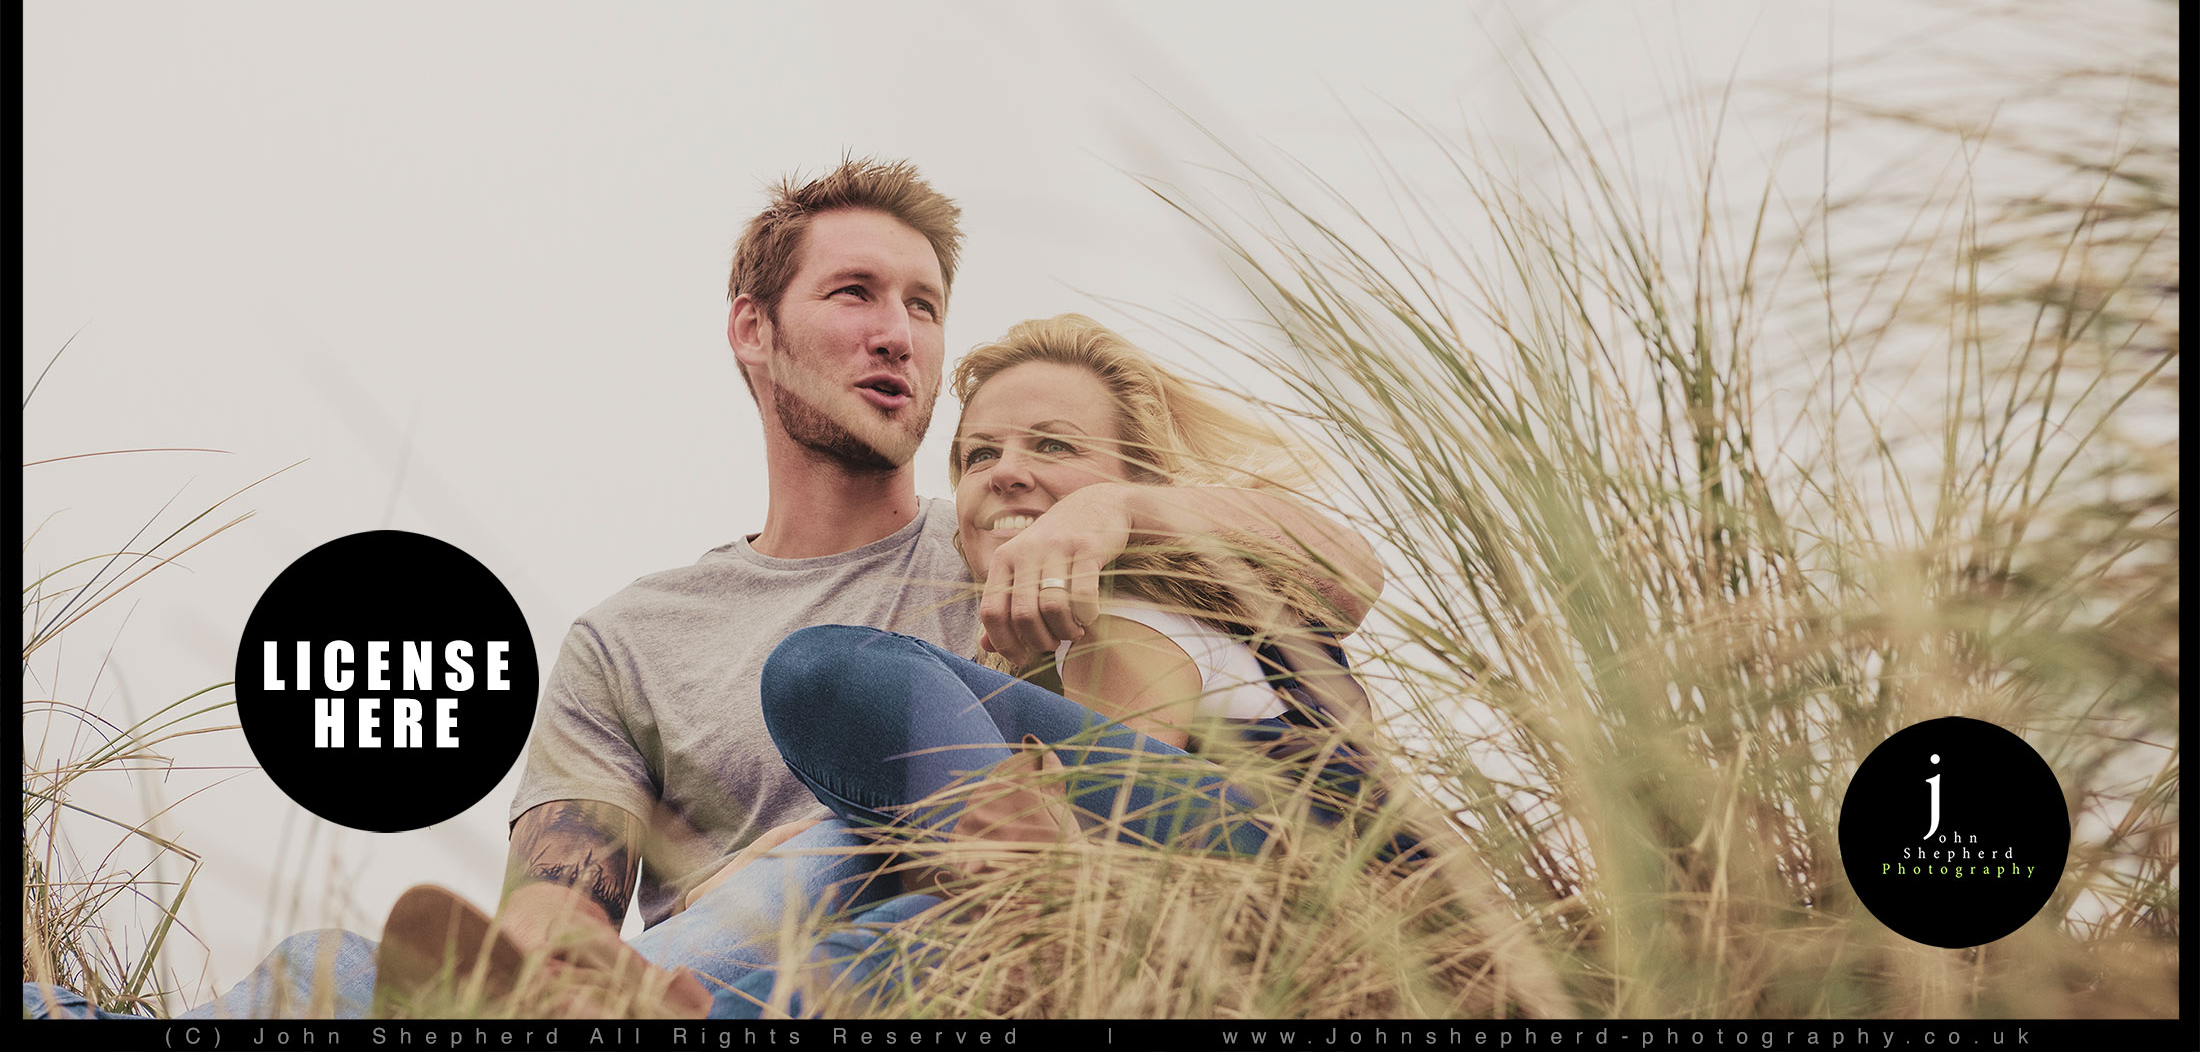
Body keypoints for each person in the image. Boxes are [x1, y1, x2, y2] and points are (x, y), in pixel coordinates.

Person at [26, 156, 1376, 1021]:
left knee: (875, 813)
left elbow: (1324, 576)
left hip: (927, 957)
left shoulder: (1020, 537)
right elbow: (553, 905)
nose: (897, 330)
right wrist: (556, 968)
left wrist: (1122, 505)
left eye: (922, 302)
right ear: (753, 330)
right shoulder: (631, 638)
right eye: (854, 291)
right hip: (657, 979)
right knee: (324, 968)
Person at [725, 314, 1408, 1016]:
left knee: (829, 670)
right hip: (1199, 904)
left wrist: (1112, 509)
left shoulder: (1144, 590)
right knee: (911, 934)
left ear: (1143, 478)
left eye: (1054, 444)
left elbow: (1349, 572)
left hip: (1295, 877)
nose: (1009, 471)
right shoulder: (1053, 656)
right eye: (982, 454)